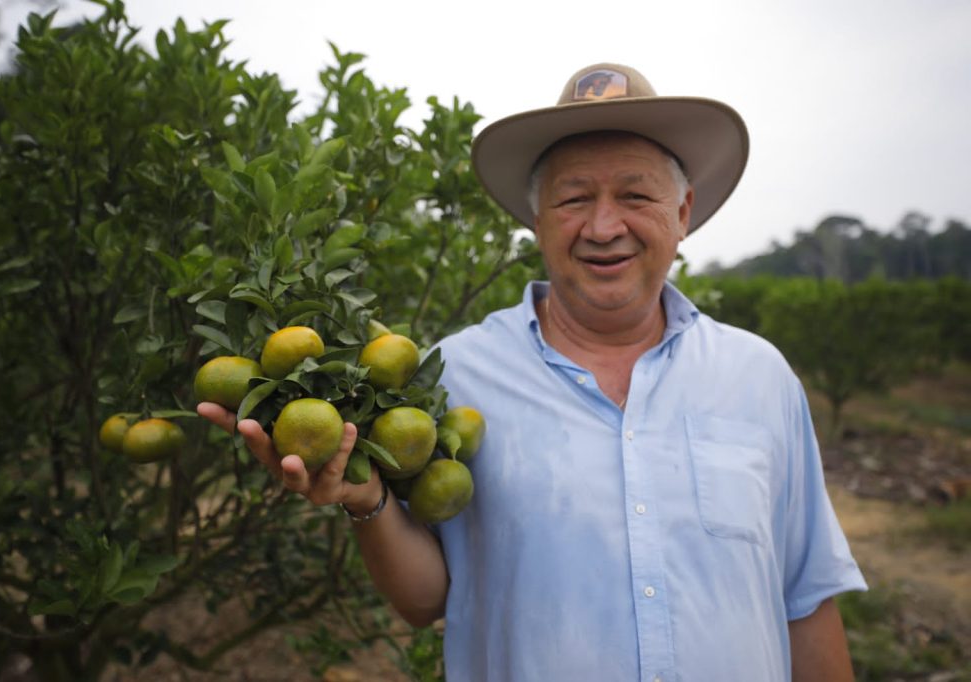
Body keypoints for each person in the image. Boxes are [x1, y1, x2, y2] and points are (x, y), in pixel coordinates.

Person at [199, 62, 867, 682]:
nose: (605, 226)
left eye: (636, 195)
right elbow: (426, 600)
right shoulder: (453, 375)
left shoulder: (759, 376)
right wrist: (367, 500)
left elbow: (804, 599)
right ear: (537, 223)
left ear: (683, 213)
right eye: (575, 199)